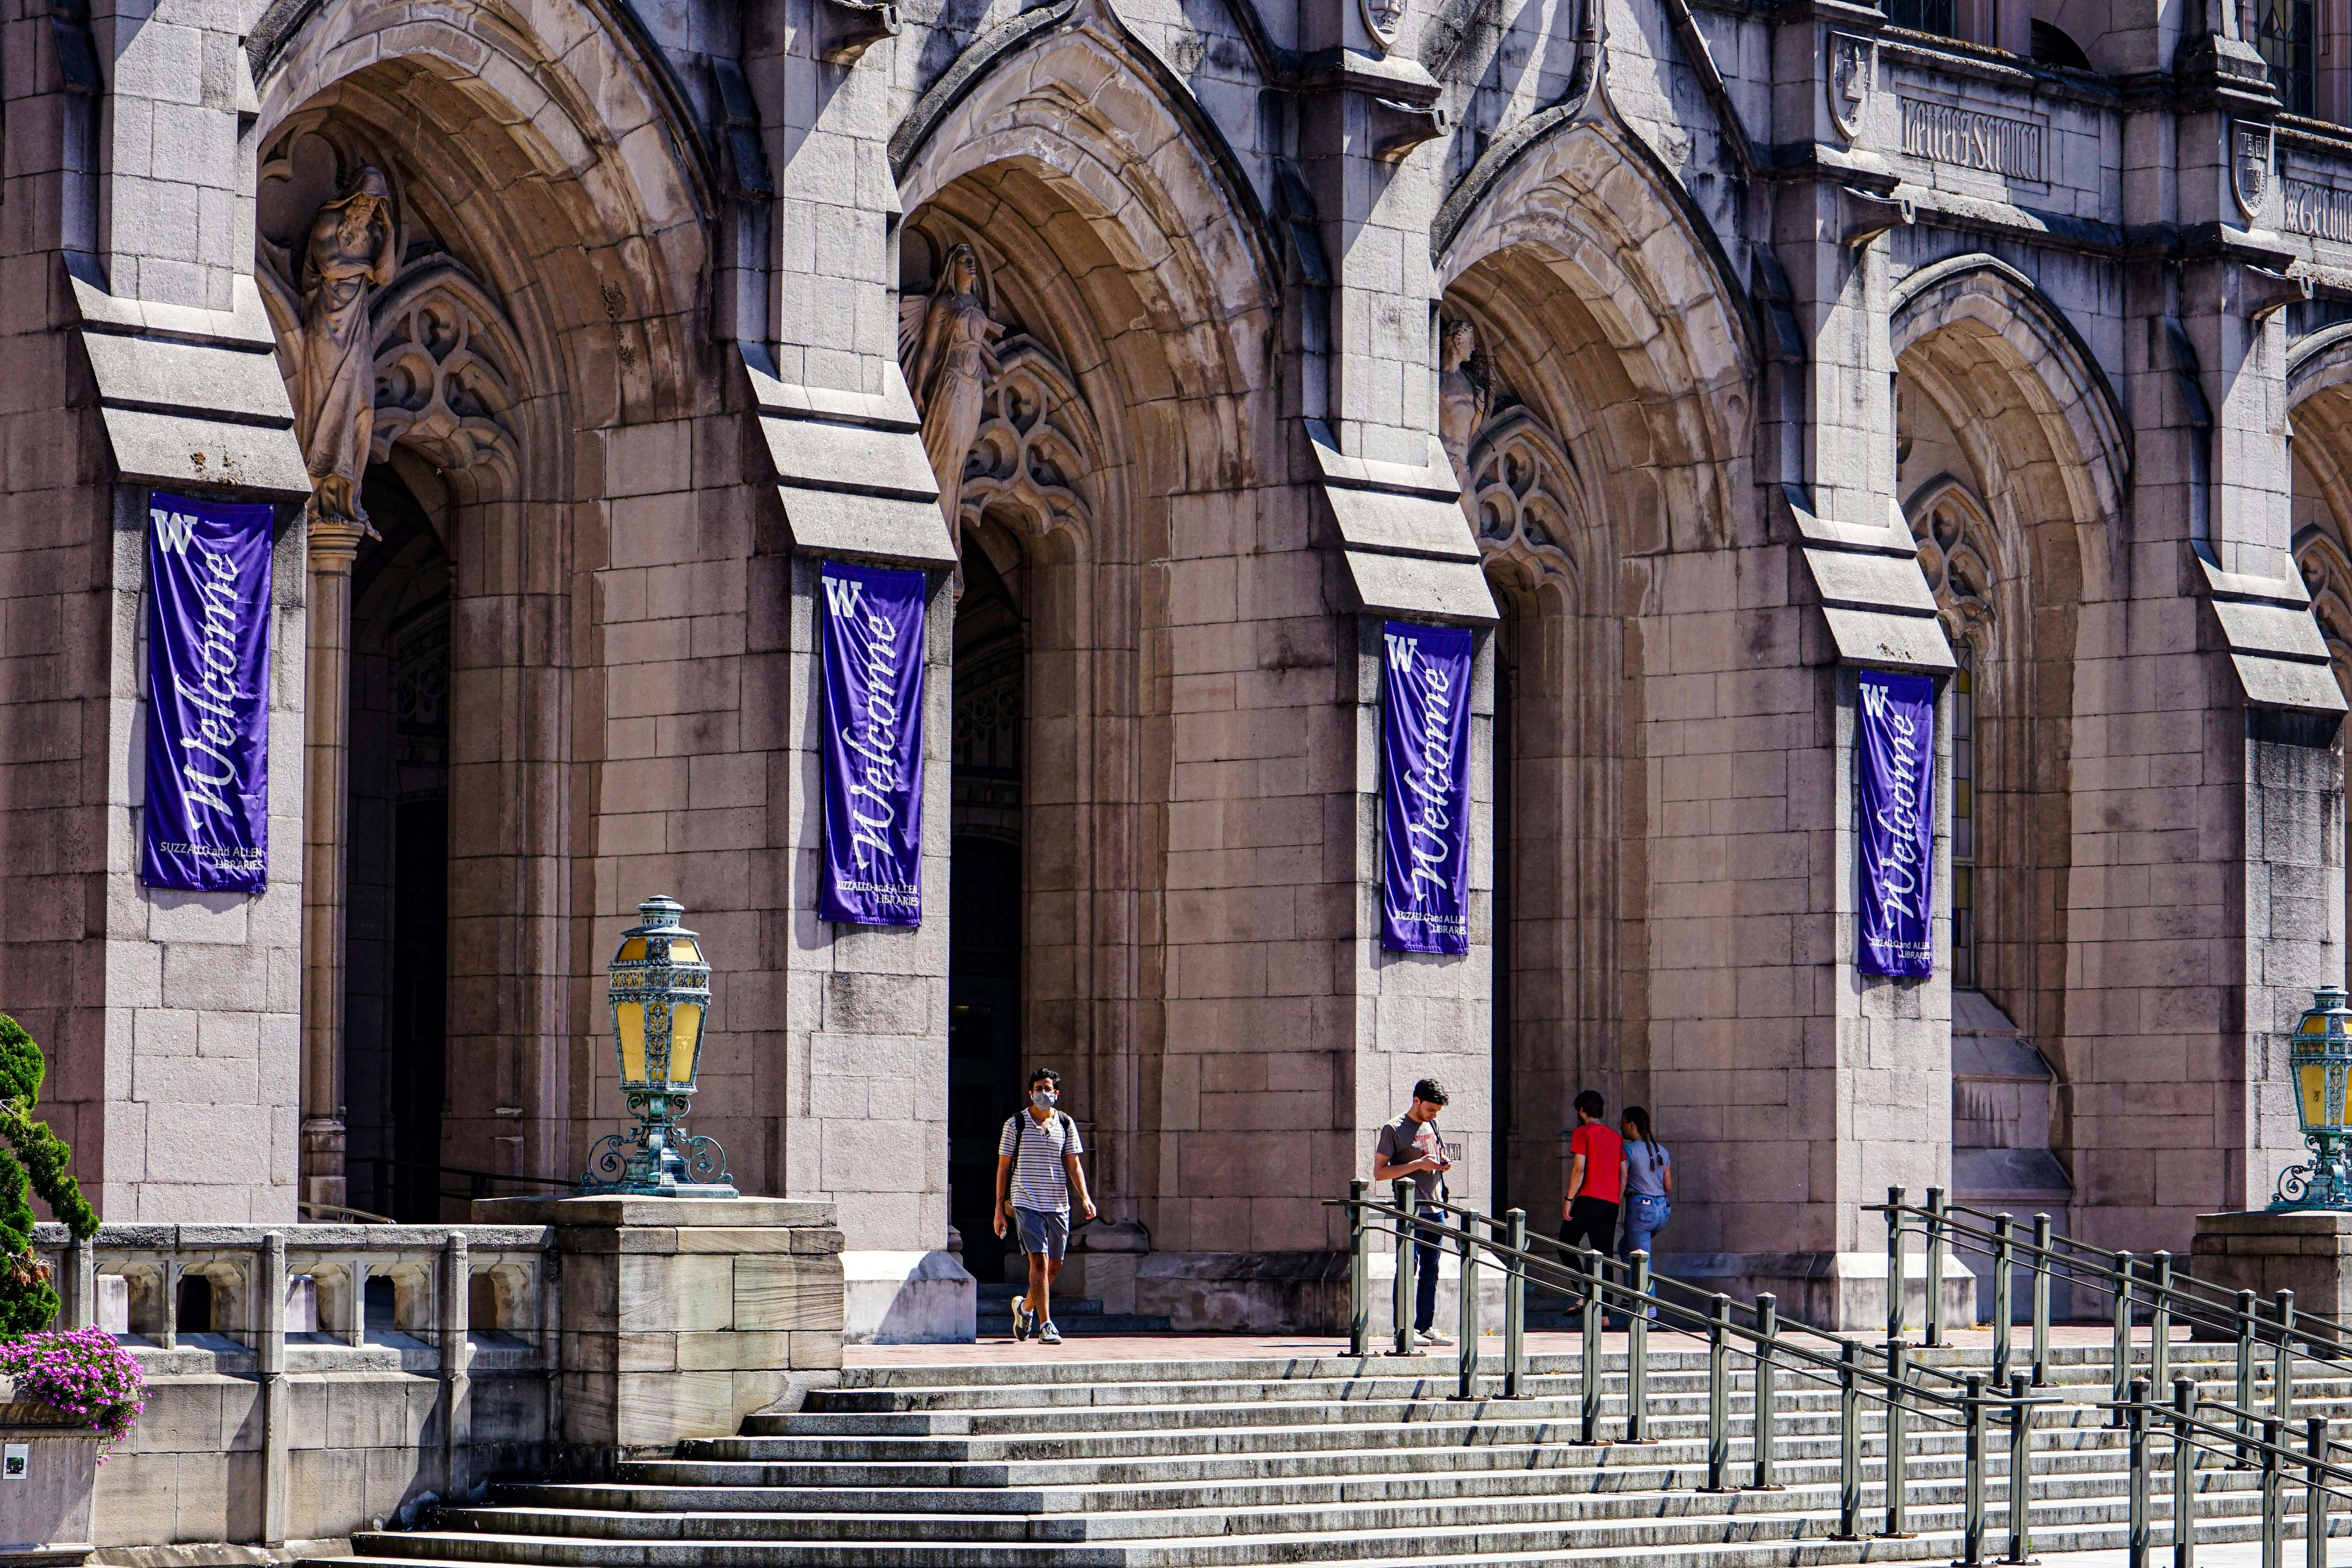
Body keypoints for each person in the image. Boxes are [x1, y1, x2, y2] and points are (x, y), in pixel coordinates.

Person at [994, 1067, 1095, 1345]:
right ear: (1030, 1093)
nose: (1043, 1093)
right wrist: (999, 1210)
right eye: (1038, 1089)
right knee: (1039, 1261)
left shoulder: (1065, 1123)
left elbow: (1073, 1163)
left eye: (1048, 1089)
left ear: (1057, 1093)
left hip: (1058, 1202)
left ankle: (1025, 1308)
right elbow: (1003, 1168)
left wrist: (1085, 1197)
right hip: (1026, 1200)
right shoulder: (1016, 1124)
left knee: (1056, 1264)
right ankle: (1046, 1325)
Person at [1372, 1078, 1455, 1348]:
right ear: (1416, 1101)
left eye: (1436, 1112)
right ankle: (1404, 1329)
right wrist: (1418, 1163)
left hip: (1436, 1207)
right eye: (1430, 1109)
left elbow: (1434, 1156)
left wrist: (1442, 1164)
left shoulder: (1433, 1125)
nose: (1433, 1115)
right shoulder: (1393, 1128)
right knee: (1409, 1268)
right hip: (1411, 1210)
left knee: (1432, 1270)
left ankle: (1425, 1326)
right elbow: (1380, 1172)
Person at [1618, 1105, 1673, 1321]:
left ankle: (1650, 1308)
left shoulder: (1629, 1151)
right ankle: (1628, 1291)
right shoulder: (1663, 1151)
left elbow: (1623, 1180)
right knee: (1625, 1247)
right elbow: (1668, 1186)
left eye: (1623, 1122)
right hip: (1662, 1211)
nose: (1621, 1126)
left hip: (1641, 1209)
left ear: (1632, 1125)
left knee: (1642, 1258)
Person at [1561, 1089, 1622, 1256]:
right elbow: (1624, 1174)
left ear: (1581, 1110)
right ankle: (1601, 1284)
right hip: (1611, 1203)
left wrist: (1569, 1199)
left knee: (1565, 1246)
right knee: (1605, 1256)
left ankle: (1583, 1283)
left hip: (1588, 1198)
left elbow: (1579, 1169)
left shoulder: (1582, 1133)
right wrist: (1616, 1197)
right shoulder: (1616, 1137)